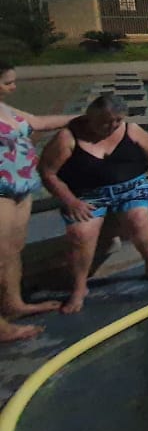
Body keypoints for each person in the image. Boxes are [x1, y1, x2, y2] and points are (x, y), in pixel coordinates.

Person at [38, 94, 148, 314]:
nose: (111, 126)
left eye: (116, 121)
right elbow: (47, 172)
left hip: (131, 188)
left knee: (138, 220)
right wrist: (70, 200)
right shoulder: (68, 137)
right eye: (104, 122)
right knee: (81, 234)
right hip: (88, 195)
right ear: (90, 117)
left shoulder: (131, 130)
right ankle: (79, 288)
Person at [0, 62, 77, 340]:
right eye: (8, 83)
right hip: (1, 191)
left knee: (13, 250)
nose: (14, 87)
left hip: (21, 186)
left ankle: (14, 304)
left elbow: (38, 123)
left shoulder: (5, 109)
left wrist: (82, 117)